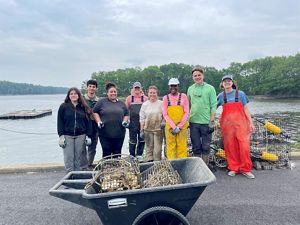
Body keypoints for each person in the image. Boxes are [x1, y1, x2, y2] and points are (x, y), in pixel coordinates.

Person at [217, 75, 255, 179]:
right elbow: (213, 108)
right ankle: (233, 168)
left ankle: (246, 169)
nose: (227, 82)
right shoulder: (221, 96)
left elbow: (246, 109)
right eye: (225, 81)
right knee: (230, 147)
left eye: (229, 81)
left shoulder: (241, 94)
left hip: (242, 124)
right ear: (222, 84)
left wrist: (251, 123)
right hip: (227, 126)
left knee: (244, 147)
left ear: (232, 82)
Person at [57, 87, 93, 172]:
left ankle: (78, 174)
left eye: (75, 93)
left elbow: (88, 122)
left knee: (79, 157)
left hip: (81, 135)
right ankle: (69, 175)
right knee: (68, 157)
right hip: (67, 135)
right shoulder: (63, 107)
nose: (73, 95)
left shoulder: (83, 106)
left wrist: (88, 135)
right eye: (71, 94)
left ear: (79, 95)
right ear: (68, 96)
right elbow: (60, 121)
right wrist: (61, 135)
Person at [187, 67, 217, 164]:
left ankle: (205, 166)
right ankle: (197, 166)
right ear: (192, 77)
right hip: (193, 122)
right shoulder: (190, 89)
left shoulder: (210, 88)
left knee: (206, 146)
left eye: (199, 75)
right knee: (196, 146)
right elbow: (187, 105)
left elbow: (213, 105)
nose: (197, 77)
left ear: (203, 75)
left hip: (206, 122)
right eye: (195, 76)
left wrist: (211, 121)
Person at [93, 82, 129, 157]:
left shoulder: (121, 103)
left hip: (119, 134)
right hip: (105, 133)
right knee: (106, 151)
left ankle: (116, 168)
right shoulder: (101, 102)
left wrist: (125, 121)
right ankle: (106, 167)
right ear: (107, 93)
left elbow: (126, 114)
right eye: (111, 92)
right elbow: (94, 112)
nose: (113, 93)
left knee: (117, 153)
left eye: (114, 92)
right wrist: (98, 121)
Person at [162, 78, 189, 160]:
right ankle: (172, 164)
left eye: (175, 85)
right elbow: (165, 114)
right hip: (170, 127)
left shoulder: (184, 96)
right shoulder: (165, 98)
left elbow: (186, 112)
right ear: (169, 87)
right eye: (171, 86)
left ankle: (182, 164)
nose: (173, 87)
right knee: (171, 146)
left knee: (182, 146)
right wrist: (174, 127)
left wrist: (179, 126)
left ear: (178, 86)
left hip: (182, 126)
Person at [139, 86, 163, 161]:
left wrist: (163, 122)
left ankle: (157, 165)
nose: (152, 94)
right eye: (151, 93)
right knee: (149, 149)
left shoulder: (161, 103)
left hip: (158, 130)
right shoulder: (145, 104)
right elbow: (142, 118)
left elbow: (165, 115)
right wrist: (141, 130)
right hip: (147, 130)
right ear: (148, 94)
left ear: (157, 93)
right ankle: (149, 164)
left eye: (154, 93)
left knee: (157, 150)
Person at [125, 82, 148, 159]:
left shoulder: (145, 98)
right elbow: (125, 111)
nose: (137, 89)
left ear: (140, 88)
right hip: (132, 123)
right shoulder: (129, 98)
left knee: (142, 139)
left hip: (142, 122)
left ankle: (139, 155)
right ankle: (132, 155)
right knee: (132, 140)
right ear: (133, 88)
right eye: (135, 88)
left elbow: (147, 111)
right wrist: (126, 121)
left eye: (138, 88)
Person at [81, 79, 99, 169]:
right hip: (83, 126)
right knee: (82, 147)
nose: (92, 88)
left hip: (94, 126)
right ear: (87, 87)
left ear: (96, 88)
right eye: (90, 86)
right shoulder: (82, 99)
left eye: (93, 87)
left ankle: (89, 164)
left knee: (93, 147)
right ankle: (82, 165)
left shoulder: (98, 101)